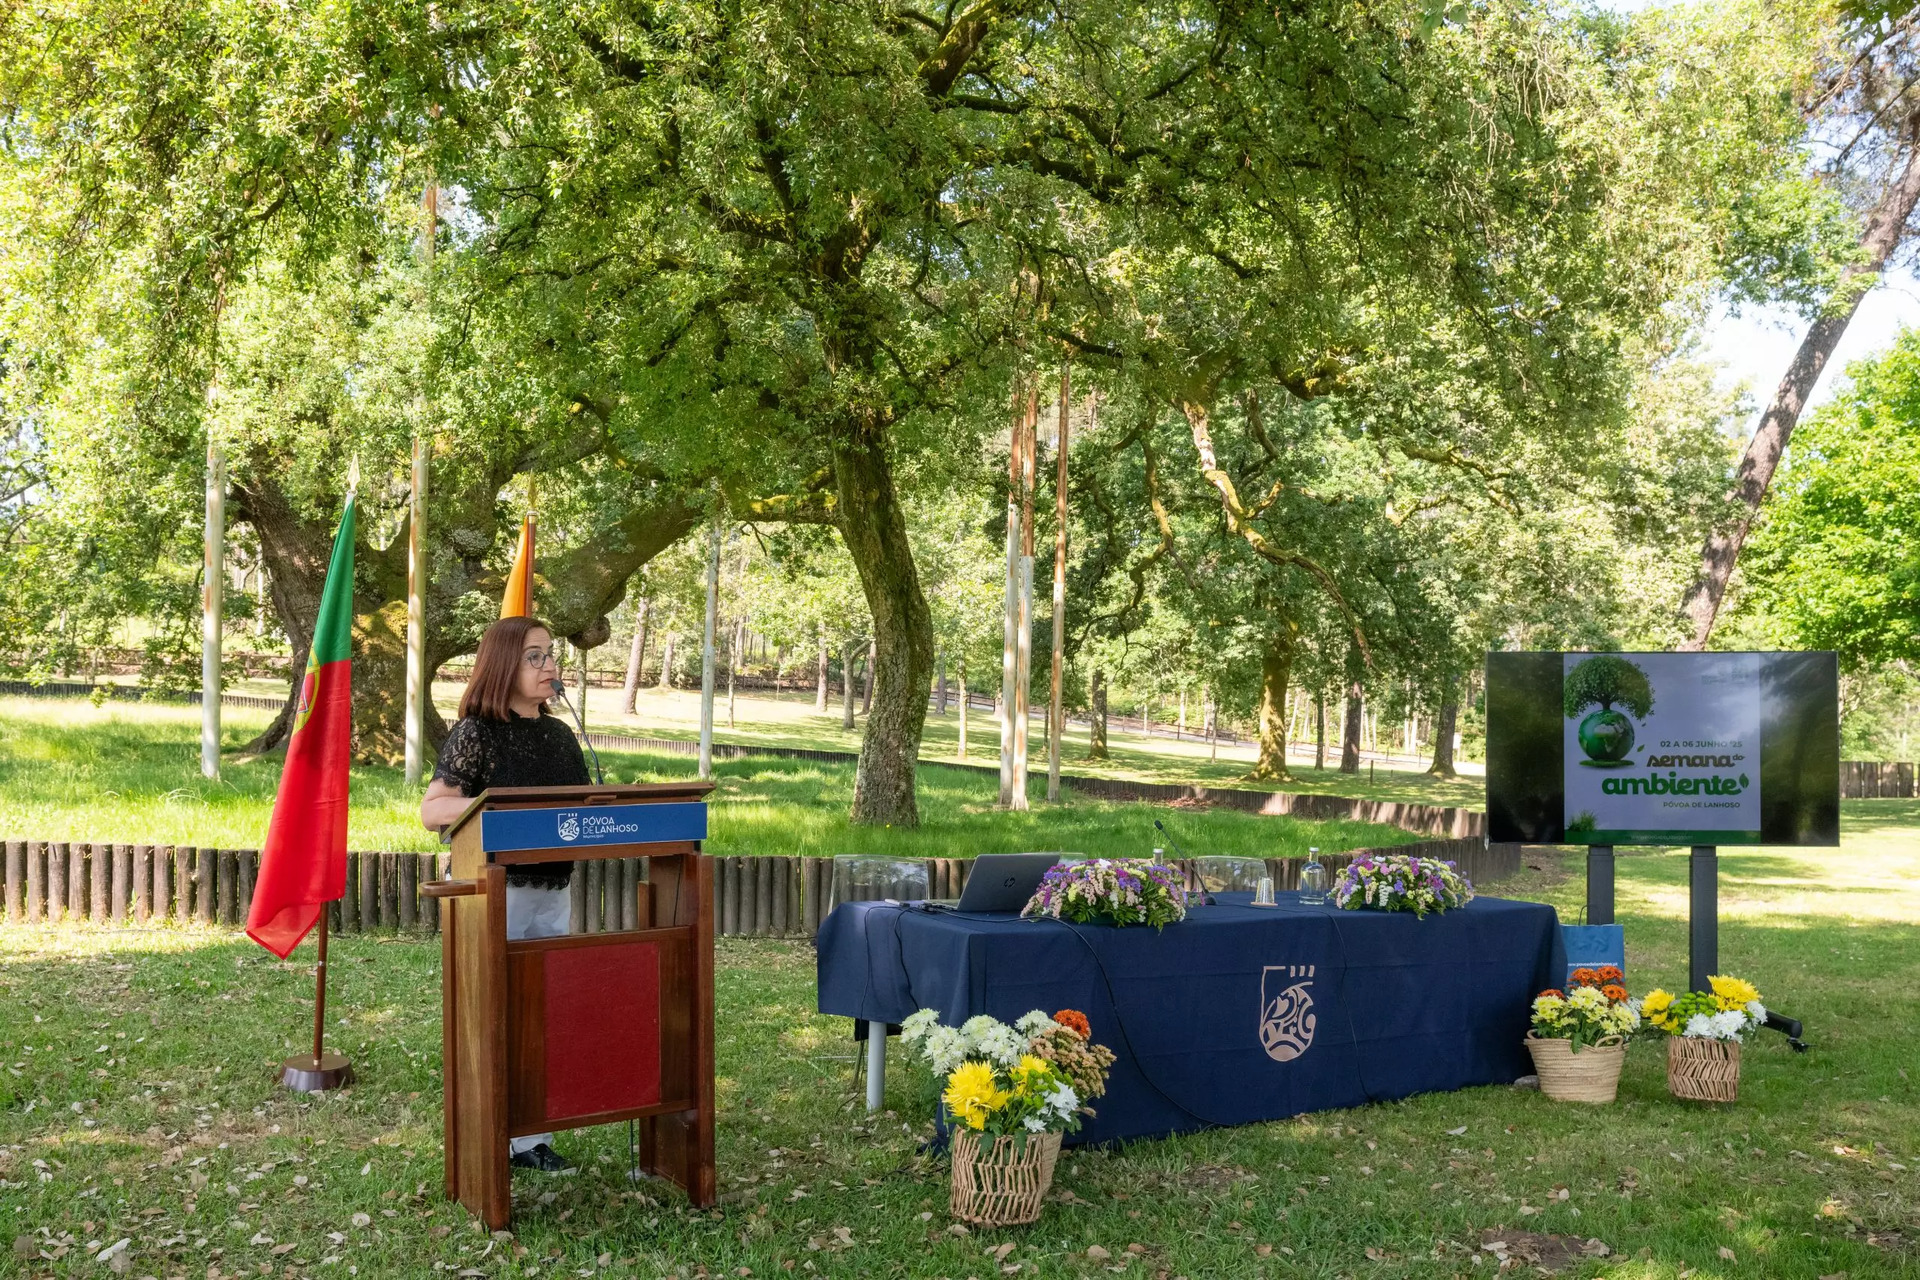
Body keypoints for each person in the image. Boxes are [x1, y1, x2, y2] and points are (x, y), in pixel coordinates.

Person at [420, 615, 586, 1173]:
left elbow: (583, 811)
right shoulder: (477, 733)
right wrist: (495, 806)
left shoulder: (563, 737)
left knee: (541, 1012)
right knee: (497, 1010)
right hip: (496, 893)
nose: (549, 666)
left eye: (551, 655)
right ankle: (490, 1129)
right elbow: (433, 810)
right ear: (503, 665)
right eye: (534, 656)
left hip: (553, 889)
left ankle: (531, 1139)